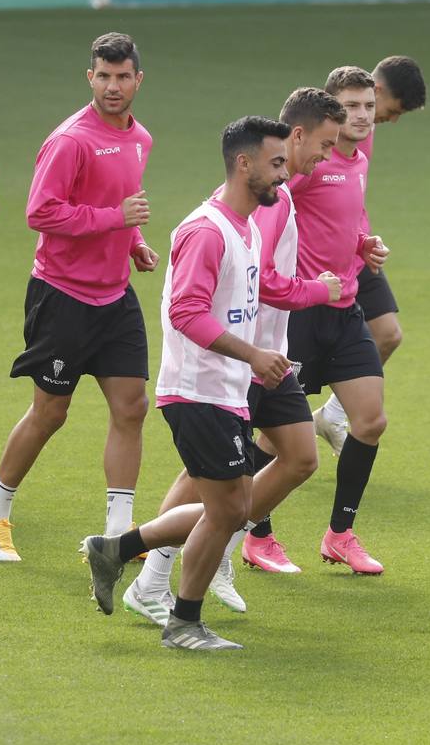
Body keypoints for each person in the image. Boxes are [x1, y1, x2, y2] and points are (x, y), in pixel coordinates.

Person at [122, 88, 347, 624]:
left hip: (259, 357)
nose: (327, 156)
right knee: (217, 488)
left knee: (294, 460)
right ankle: (163, 573)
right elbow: (257, 284)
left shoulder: (267, 198)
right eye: (324, 144)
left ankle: (203, 550)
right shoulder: (251, 207)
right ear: (295, 137)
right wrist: (321, 291)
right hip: (242, 360)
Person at [81, 115, 292, 651]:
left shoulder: (242, 226)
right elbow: (186, 312)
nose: (283, 176)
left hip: (224, 389)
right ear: (243, 164)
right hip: (199, 391)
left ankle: (117, 549)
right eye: (275, 164)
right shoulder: (207, 230)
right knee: (227, 512)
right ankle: (183, 622)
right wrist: (253, 355)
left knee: (234, 508)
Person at [0, 32, 157, 562]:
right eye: (103, 75)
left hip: (114, 296)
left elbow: (118, 202)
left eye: (123, 77)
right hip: (62, 295)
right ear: (89, 77)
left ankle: (118, 533)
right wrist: (115, 221)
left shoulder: (140, 138)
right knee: (51, 412)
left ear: (138, 80)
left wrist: (134, 242)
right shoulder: (71, 140)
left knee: (132, 407)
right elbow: (41, 212)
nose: (113, 86)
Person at [272, 66, 391, 574]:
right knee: (273, 437)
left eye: (368, 106)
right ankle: (257, 534)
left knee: (370, 421)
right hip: (299, 313)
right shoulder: (306, 165)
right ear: (330, 111)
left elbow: (349, 216)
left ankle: (339, 534)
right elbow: (267, 207)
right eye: (351, 107)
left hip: (345, 309)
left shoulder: (359, 158)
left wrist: (363, 242)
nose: (362, 116)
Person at [311, 56, 426, 454]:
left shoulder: (363, 134)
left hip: (355, 252)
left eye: (375, 111)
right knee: (279, 396)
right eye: (392, 111)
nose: (387, 120)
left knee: (389, 335)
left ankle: (331, 415)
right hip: (313, 268)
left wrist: (363, 239)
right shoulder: (321, 137)